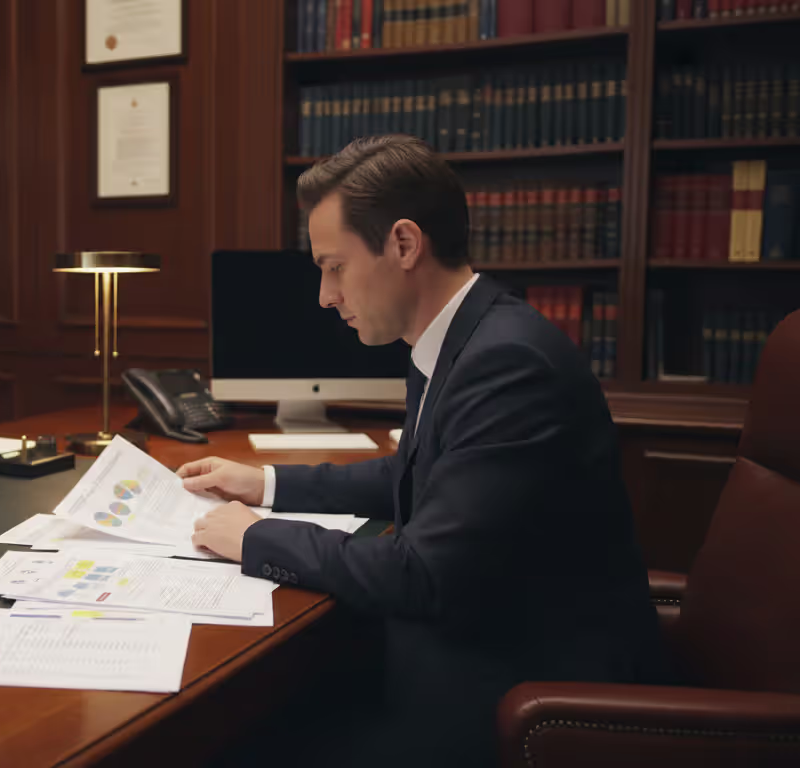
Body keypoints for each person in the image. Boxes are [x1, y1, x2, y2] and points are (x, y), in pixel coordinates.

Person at [181, 135, 663, 767]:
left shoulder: (507, 363)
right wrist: (267, 484)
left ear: (404, 245)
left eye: (335, 266)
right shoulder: (460, 339)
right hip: (469, 656)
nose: (326, 295)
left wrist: (257, 539)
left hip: (521, 700)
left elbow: (423, 574)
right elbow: (417, 473)